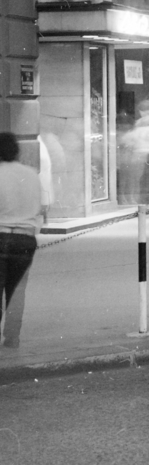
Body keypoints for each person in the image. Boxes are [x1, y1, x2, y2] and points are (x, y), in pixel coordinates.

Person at [0, 131, 44, 352]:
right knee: (17, 290)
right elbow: (39, 207)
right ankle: (12, 337)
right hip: (25, 238)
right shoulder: (31, 174)